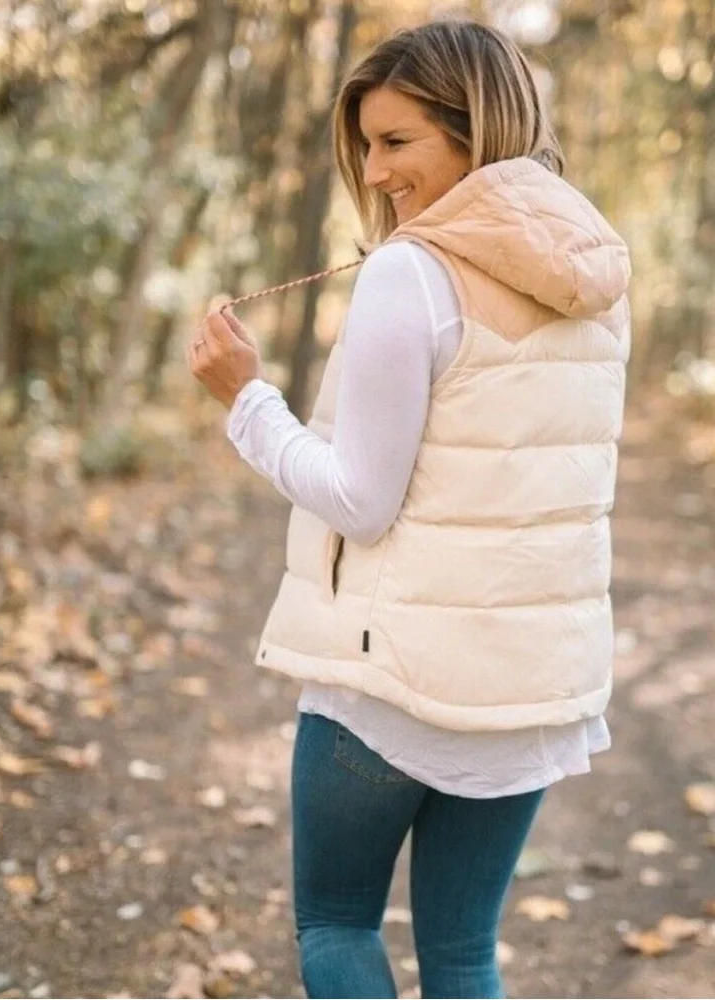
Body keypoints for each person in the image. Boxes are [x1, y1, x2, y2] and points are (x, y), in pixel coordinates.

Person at [188, 18, 631, 1000]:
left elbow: (360, 498)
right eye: (367, 145)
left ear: (474, 129)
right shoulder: (596, 274)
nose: (377, 172)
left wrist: (248, 401)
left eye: (399, 142)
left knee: (337, 925)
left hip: (388, 682)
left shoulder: (409, 271)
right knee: (465, 953)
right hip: (527, 687)